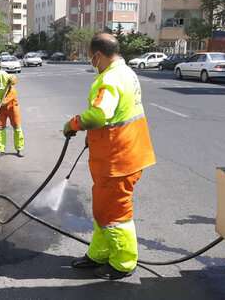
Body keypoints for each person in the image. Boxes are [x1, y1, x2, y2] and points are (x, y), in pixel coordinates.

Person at [63, 33, 156, 280]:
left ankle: (123, 263)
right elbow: (115, 116)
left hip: (118, 160)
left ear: (98, 55)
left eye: (90, 58)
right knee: (103, 210)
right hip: (126, 153)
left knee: (116, 215)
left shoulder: (110, 80)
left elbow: (98, 115)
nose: (91, 62)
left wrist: (73, 124)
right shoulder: (126, 73)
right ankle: (99, 254)